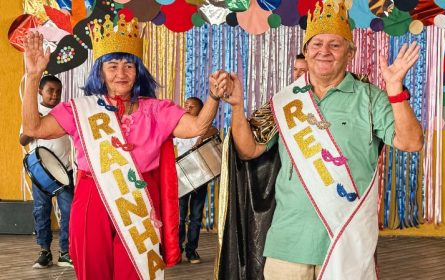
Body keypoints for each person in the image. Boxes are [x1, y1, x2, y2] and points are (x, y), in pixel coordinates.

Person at [214, 1, 423, 279]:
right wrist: (238, 107)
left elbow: (411, 143)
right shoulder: (285, 100)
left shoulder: (372, 98)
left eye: (335, 45)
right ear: (305, 51)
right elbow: (249, 150)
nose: (324, 51)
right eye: (316, 44)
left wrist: (395, 90)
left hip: (347, 242)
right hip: (288, 243)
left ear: (350, 53)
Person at [22, 14, 228, 280]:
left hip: (139, 203)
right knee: (94, 271)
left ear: (138, 71)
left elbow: (199, 126)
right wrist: (33, 75)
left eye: (129, 65)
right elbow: (32, 128)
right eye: (112, 65)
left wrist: (213, 96)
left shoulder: (157, 109)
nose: (121, 73)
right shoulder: (81, 109)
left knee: (136, 274)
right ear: (100, 71)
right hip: (92, 199)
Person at [20, 75, 74, 269]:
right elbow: (22, 140)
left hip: (65, 172)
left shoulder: (65, 112)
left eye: (58, 91)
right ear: (40, 91)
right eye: (50, 90)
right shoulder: (34, 112)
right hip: (41, 174)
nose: (55, 95)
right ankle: (44, 252)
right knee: (41, 212)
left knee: (69, 212)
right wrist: (33, 125)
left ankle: (65, 252)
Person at [174, 97, 218, 264]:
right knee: (180, 217)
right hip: (182, 178)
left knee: (197, 216)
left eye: (191, 107)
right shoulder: (180, 127)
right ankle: (177, 249)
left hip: (200, 178)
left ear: (200, 111)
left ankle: (192, 251)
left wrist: (201, 136)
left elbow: (213, 130)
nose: (187, 109)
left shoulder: (205, 128)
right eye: (185, 106)